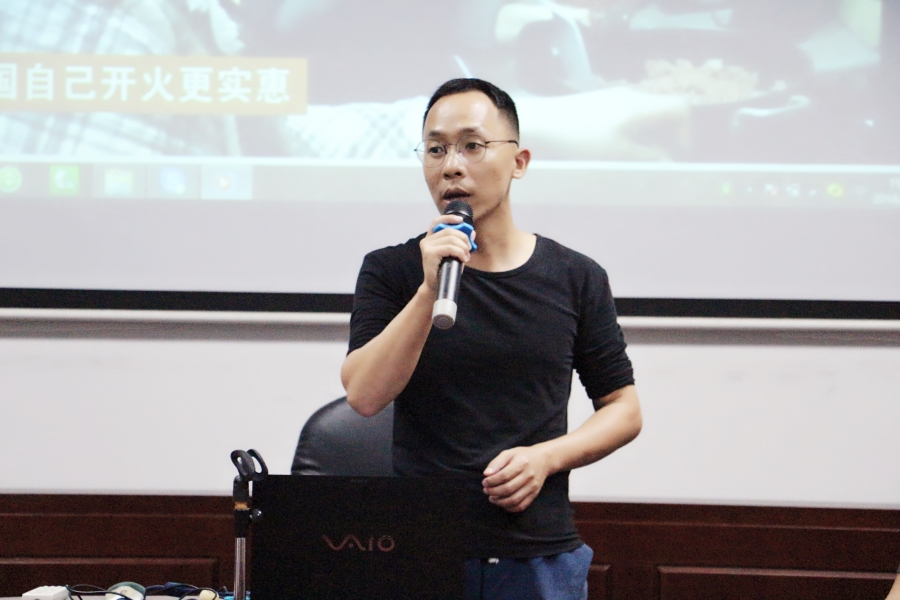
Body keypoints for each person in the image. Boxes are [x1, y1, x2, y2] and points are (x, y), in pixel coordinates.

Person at [341, 78, 642, 600]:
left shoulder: (575, 276)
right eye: (436, 149)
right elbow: (364, 397)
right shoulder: (392, 270)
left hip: (536, 552)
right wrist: (428, 291)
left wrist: (547, 458)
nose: (451, 166)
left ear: (519, 161)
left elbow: (624, 408)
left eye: (472, 146)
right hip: (421, 548)